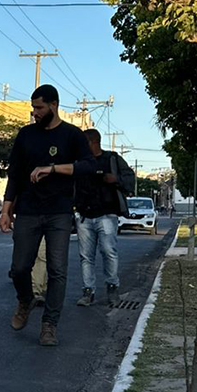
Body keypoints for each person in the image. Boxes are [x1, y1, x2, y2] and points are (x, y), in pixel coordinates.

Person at [0, 85, 94, 347]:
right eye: (33, 108)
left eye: (39, 108)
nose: (35, 113)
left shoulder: (72, 135)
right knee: (19, 268)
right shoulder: (26, 135)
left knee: (57, 270)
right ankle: (25, 299)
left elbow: (88, 166)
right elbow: (15, 173)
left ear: (54, 105)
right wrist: (6, 209)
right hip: (28, 210)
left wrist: (53, 169)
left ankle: (50, 325)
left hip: (59, 212)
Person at [74, 128, 135, 306]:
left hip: (107, 215)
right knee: (86, 256)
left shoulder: (112, 159)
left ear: (93, 142)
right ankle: (88, 291)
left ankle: (112, 288)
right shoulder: (80, 162)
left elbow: (130, 178)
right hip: (84, 215)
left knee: (109, 252)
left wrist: (115, 179)